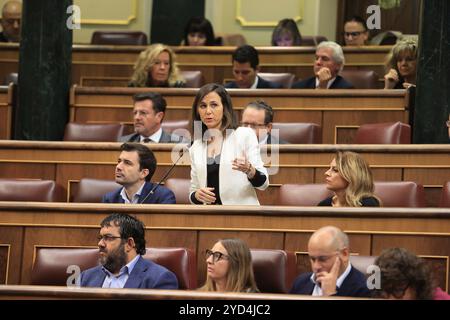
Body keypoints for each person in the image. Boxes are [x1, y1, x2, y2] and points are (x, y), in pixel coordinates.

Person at [189, 83, 269, 205]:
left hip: (242, 216)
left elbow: (263, 184)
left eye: (214, 105)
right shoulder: (196, 146)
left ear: (224, 108)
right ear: (197, 111)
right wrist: (197, 195)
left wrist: (250, 170)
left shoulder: (244, 135)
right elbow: (193, 190)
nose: (208, 111)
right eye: (203, 106)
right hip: (209, 218)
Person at [80, 213, 179, 289]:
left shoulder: (159, 279)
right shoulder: (86, 277)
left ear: (129, 244)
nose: (100, 244)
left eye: (108, 238)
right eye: (100, 238)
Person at [290, 226, 370, 297]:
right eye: (313, 259)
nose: (316, 266)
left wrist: (330, 295)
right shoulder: (300, 283)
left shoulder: (365, 290)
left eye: (323, 259)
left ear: (344, 254)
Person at [102, 143, 176, 204]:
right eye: (119, 161)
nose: (118, 167)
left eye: (127, 163)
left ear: (143, 173)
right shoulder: (110, 199)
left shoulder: (162, 197)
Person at [119, 92, 185, 143]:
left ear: (159, 116)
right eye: (135, 113)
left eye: (143, 113)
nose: (137, 117)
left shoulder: (178, 144)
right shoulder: (125, 142)